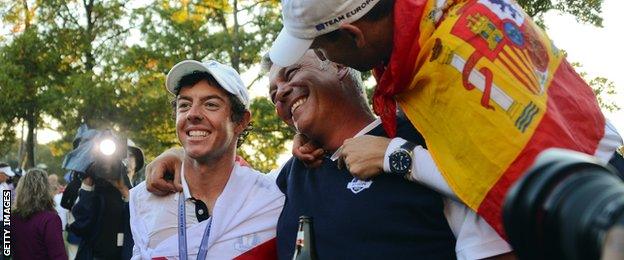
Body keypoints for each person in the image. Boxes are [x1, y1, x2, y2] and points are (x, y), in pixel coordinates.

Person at [269, 0, 624, 235]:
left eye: (321, 48)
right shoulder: (433, 24)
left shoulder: (445, 62)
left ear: (353, 35)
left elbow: (520, 177)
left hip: (588, 216)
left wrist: (396, 156)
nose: (329, 57)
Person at [147, 52, 513, 259]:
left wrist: (398, 157)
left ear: (337, 64)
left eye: (291, 73)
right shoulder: (291, 176)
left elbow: (496, 211)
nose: (282, 93)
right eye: (274, 93)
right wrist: (181, 157)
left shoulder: (422, 137)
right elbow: (226, 183)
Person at [128, 60, 284, 259]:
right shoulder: (145, 199)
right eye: (184, 105)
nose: (193, 114)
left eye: (211, 104)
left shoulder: (272, 198)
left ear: (241, 121)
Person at [69, 161, 134, 260]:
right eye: (102, 167)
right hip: (93, 255)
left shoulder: (126, 196)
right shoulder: (91, 195)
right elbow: (78, 226)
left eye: (111, 167)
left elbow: (136, 224)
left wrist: (125, 191)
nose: (107, 171)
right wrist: (87, 187)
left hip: (121, 255)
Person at [11, 168, 68, 260]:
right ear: (45, 189)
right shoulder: (50, 219)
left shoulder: (12, 217)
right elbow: (58, 255)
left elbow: (8, 250)